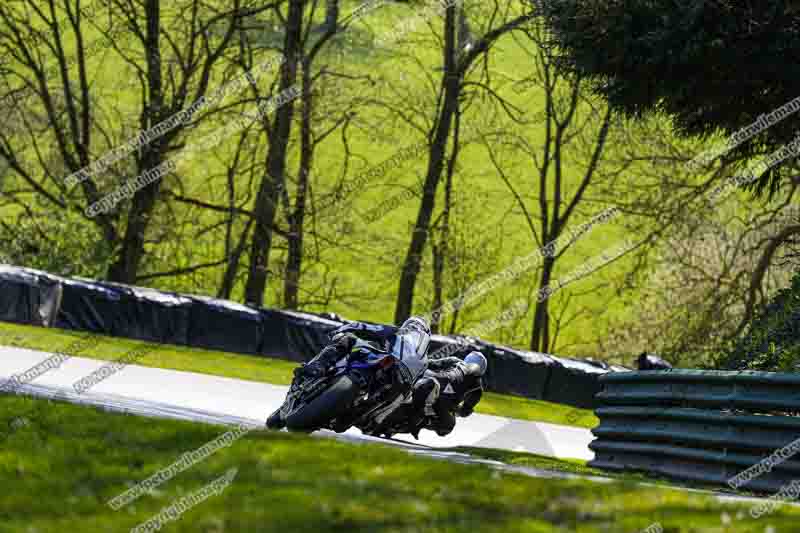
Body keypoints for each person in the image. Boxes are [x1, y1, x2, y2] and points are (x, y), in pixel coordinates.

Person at [267, 316, 431, 429]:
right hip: (395, 389)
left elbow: (366, 327)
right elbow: (416, 389)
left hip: (386, 376)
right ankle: (351, 414)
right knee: (353, 420)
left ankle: (315, 369)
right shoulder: (424, 361)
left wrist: (343, 330)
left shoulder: (397, 332)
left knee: (344, 341)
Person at [406, 351, 487, 438]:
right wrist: (458, 409)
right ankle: (420, 421)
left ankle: (420, 419)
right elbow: (464, 410)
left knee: (447, 425)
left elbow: (431, 363)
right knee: (448, 425)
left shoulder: (455, 361)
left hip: (438, 392)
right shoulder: (478, 387)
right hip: (441, 399)